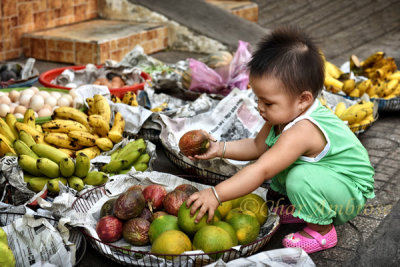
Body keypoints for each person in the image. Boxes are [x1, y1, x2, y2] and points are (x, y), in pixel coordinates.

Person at [186, 26, 375, 254]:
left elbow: (261, 170)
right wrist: (219, 148)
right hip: (329, 178)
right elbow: (257, 146)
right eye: (258, 99)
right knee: (279, 159)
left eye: (268, 103)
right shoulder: (283, 114)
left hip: (350, 190)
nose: (259, 107)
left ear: (303, 99)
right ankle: (304, 208)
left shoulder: (303, 129)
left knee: (297, 176)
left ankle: (323, 231)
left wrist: (216, 194)